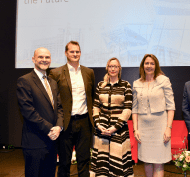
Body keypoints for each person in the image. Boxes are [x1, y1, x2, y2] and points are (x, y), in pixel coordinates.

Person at [49, 41, 95, 177]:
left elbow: (91, 96)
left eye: (77, 51)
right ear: (66, 53)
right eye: (72, 51)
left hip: (84, 122)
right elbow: (52, 100)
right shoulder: (55, 73)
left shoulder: (88, 72)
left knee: (84, 160)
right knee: (64, 161)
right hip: (65, 123)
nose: (75, 54)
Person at [16, 47, 63, 177]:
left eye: (47, 57)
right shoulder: (25, 80)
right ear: (33, 59)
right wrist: (50, 129)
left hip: (52, 142)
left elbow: (59, 108)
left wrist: (59, 127)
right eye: (40, 57)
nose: (44, 60)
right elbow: (28, 111)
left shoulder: (53, 82)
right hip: (34, 142)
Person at [132, 54, 175, 177]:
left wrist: (168, 127)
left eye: (152, 63)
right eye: (146, 63)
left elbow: (171, 106)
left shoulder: (164, 80)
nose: (149, 66)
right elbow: (134, 108)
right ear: (142, 66)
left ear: (156, 65)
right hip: (143, 128)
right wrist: (136, 129)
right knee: (146, 160)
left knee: (158, 162)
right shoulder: (136, 83)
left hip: (160, 127)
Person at [90, 57, 134, 177]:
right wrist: (98, 125)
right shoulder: (100, 85)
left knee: (117, 161)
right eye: (110, 66)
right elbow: (95, 107)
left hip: (119, 129)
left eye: (115, 66)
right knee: (102, 162)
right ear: (107, 68)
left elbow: (128, 109)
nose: (113, 69)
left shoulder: (126, 85)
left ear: (119, 69)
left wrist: (115, 127)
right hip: (101, 129)